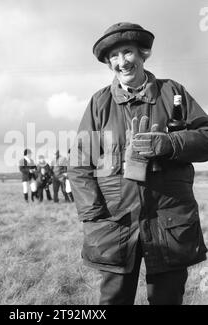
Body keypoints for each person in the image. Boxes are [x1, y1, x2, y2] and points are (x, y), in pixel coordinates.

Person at [68, 22, 208, 305]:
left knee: (167, 299)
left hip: (170, 221)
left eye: (128, 52)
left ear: (143, 54)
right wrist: (95, 216)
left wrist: (169, 144)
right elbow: (80, 165)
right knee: (114, 300)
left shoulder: (173, 92)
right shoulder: (100, 103)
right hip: (115, 225)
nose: (122, 62)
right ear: (109, 63)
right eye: (114, 57)